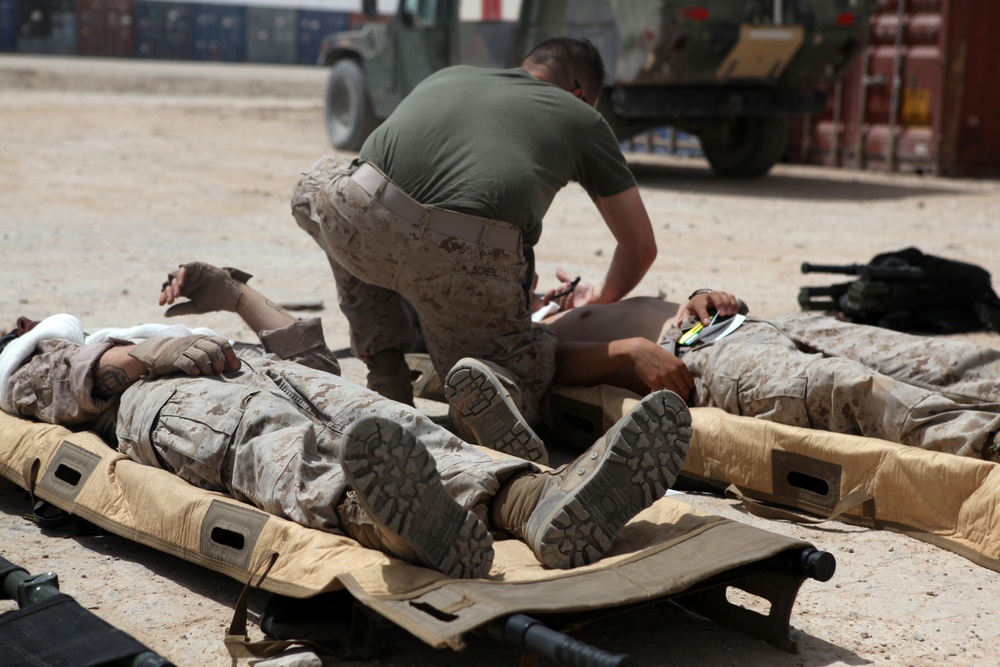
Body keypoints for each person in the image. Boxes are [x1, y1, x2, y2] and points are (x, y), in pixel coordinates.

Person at [0, 262, 692, 578]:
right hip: (163, 401)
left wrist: (235, 295)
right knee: (275, 448)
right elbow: (77, 388)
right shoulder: (27, 357)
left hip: (252, 364)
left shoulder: (114, 327)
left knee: (387, 422)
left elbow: (307, 354)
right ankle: (390, 519)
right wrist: (151, 354)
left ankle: (536, 502)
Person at [291, 37, 659, 467]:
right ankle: (487, 392)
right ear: (580, 92)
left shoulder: (451, 75)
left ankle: (385, 370)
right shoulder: (583, 118)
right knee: (521, 368)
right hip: (461, 262)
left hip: (362, 220)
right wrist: (599, 300)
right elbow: (639, 248)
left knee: (316, 187)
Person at [534, 276, 1000, 461]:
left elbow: (674, 304)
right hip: (705, 357)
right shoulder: (526, 331)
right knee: (847, 388)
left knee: (928, 356)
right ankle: (988, 440)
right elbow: (548, 364)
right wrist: (628, 351)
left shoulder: (578, 303)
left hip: (750, 325)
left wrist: (703, 295)